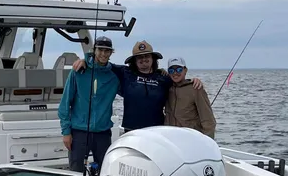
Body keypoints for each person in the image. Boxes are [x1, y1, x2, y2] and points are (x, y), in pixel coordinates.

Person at [72, 39, 202, 132]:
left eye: (147, 56)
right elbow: (101, 63)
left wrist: (193, 81)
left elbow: (179, 82)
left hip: (157, 130)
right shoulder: (125, 73)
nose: (143, 60)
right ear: (134, 60)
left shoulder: (163, 78)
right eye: (139, 57)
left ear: (153, 59)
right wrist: (85, 61)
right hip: (131, 130)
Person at [58, 36, 121, 173]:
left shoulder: (114, 77)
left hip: (103, 133)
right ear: (94, 50)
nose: (103, 54)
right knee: (76, 172)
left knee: (105, 172)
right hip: (79, 132)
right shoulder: (78, 71)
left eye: (107, 51)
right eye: (100, 50)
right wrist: (66, 132)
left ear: (111, 53)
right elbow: (65, 103)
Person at [164, 57, 217, 138]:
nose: (175, 73)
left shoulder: (196, 88)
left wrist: (208, 141)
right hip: (171, 137)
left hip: (191, 138)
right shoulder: (166, 88)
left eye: (179, 70)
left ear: (185, 70)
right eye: (171, 70)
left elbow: (208, 120)